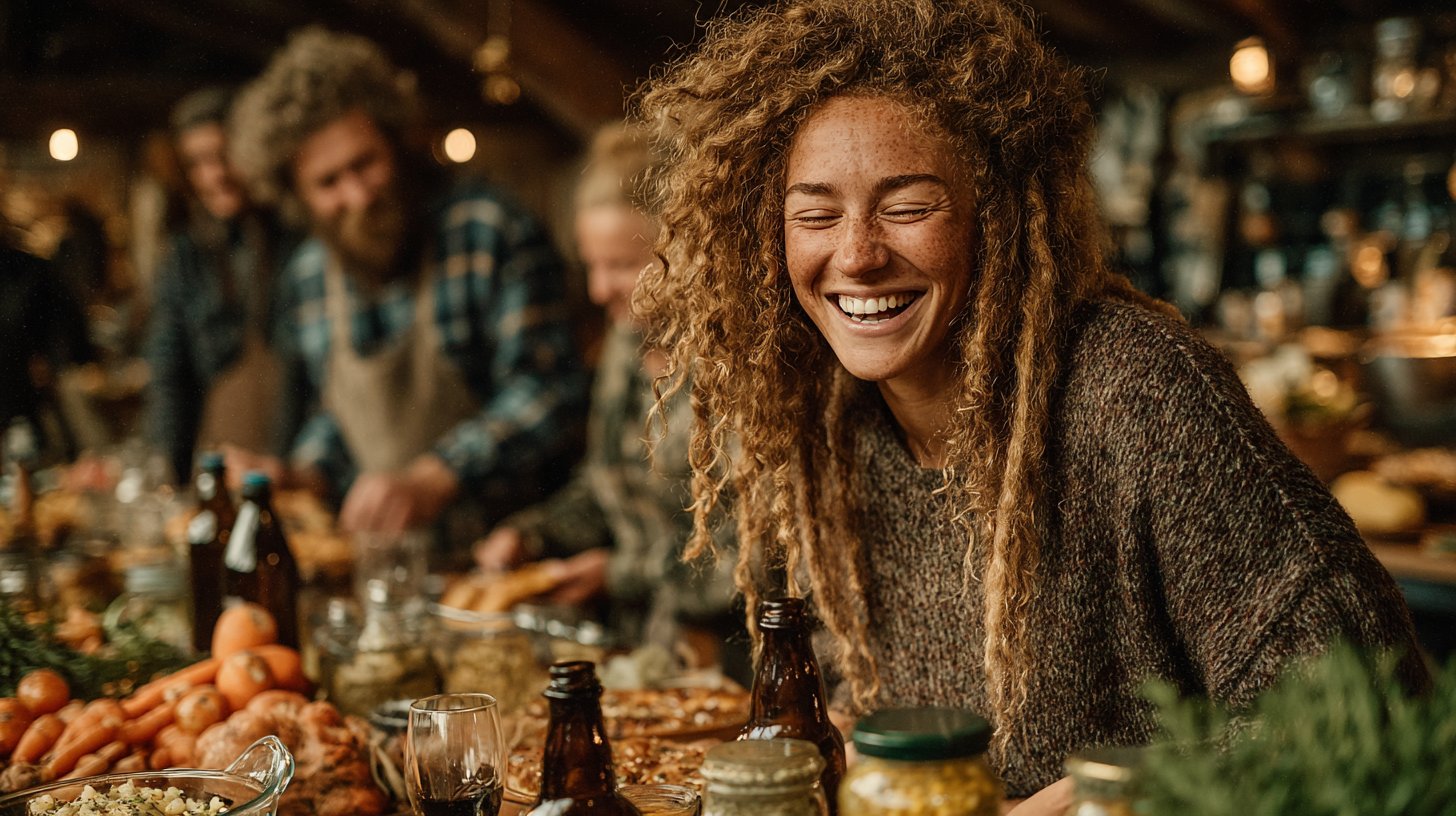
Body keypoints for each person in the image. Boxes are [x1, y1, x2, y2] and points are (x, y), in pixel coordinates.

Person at [632, 0, 1429, 810]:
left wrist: (1086, 798)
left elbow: (1360, 702)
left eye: (908, 207)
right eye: (815, 214)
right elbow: (867, 705)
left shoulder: (1133, 388)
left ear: (1000, 214)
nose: (858, 254)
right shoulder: (826, 421)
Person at [226, 28, 588, 543]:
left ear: (395, 142)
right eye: (328, 183)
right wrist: (302, 476)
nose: (357, 194)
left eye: (365, 163)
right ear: (298, 197)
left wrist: (436, 475)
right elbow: (344, 421)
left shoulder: (487, 229)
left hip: (506, 551)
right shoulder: (309, 276)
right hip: (387, 567)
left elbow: (552, 391)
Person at [474, 124, 739, 668]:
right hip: (638, 651)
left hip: (735, 663)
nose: (598, 290)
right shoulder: (627, 341)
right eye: (591, 264)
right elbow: (607, 484)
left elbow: (757, 556)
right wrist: (532, 535)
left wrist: (620, 573)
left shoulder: (740, 363)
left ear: (688, 251)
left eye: (621, 265)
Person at [143, 87, 298, 484]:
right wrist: (167, 473)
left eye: (224, 155)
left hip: (298, 464)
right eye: (198, 163)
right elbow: (168, 372)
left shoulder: (296, 239)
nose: (216, 175)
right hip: (221, 462)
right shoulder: (184, 256)